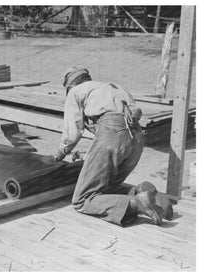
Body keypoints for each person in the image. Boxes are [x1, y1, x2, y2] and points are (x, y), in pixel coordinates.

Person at [54, 65, 166, 226]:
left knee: (82, 199)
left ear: (70, 85)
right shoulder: (112, 87)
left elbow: (73, 130)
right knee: (106, 188)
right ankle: (142, 192)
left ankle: (137, 203)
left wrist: (61, 152)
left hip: (113, 133)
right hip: (136, 138)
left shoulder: (75, 92)